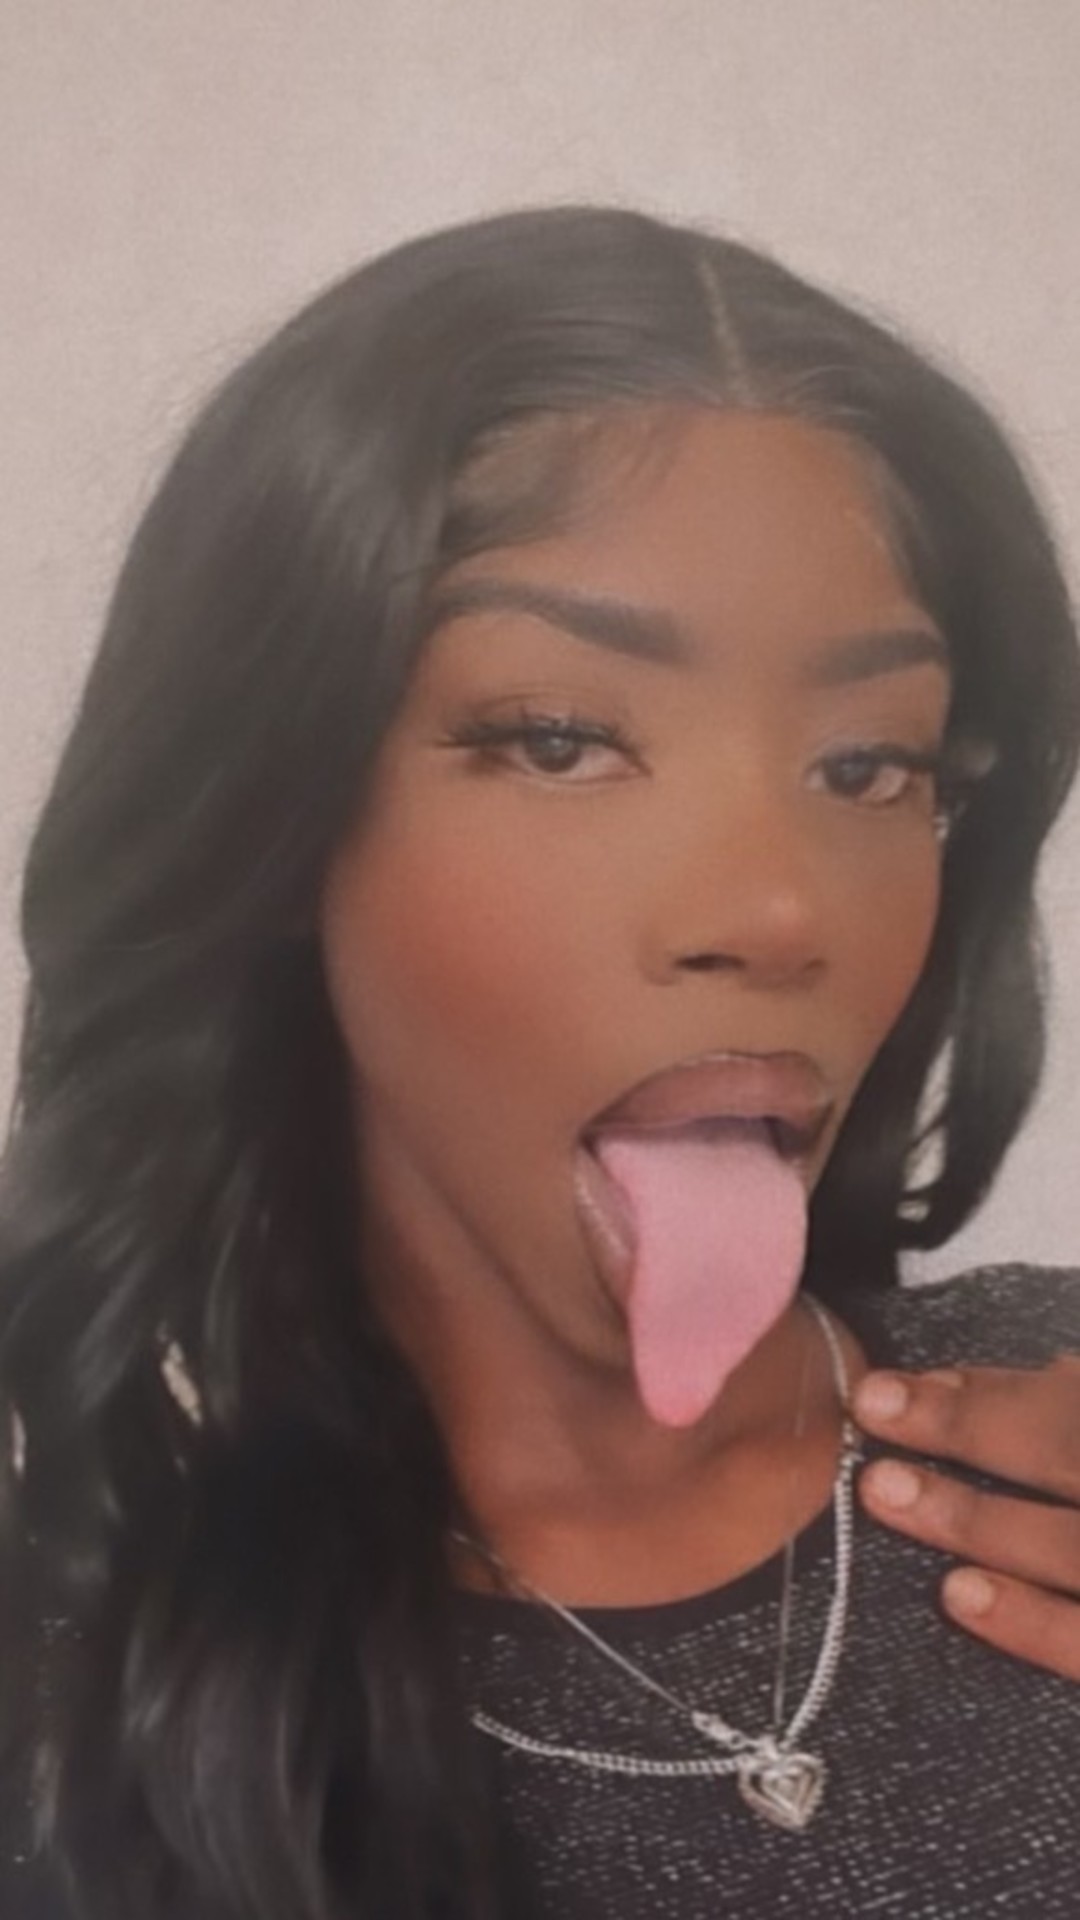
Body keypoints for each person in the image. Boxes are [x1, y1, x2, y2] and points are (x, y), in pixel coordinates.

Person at [0, 204, 1078, 1920]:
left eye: (873, 765)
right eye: (561, 740)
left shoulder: (1052, 1429)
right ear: (277, 828)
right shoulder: (75, 1697)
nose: (782, 906)